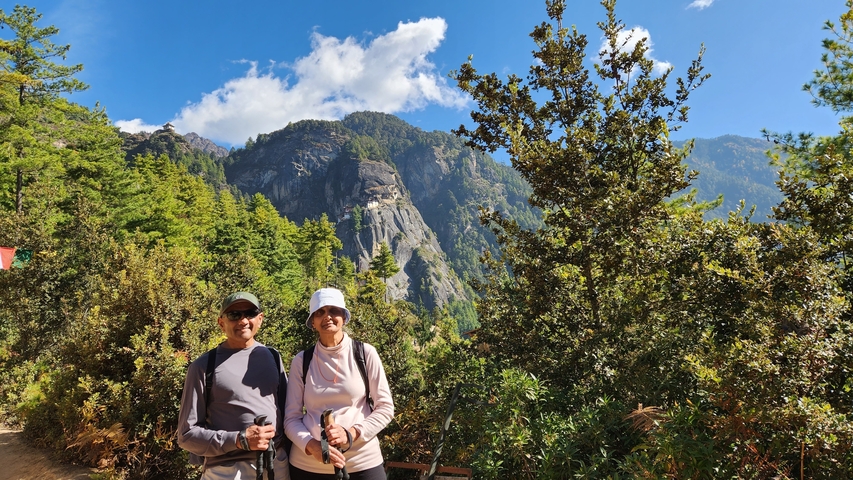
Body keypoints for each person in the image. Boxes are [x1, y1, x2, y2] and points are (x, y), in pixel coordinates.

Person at [178, 291, 290, 479]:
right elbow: (187, 435)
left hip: (276, 465)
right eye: (234, 315)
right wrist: (239, 440)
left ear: (260, 319)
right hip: (227, 471)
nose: (243, 320)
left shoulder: (273, 357)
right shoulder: (203, 366)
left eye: (250, 313)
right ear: (221, 323)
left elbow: (288, 414)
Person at [285, 287, 394, 480]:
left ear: (344, 316)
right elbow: (291, 419)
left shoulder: (365, 354)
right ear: (313, 322)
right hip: (308, 466)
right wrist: (312, 446)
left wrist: (351, 434)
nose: (327, 316)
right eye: (320, 312)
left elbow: (385, 408)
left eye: (333, 310)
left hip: (362, 462)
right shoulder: (301, 361)